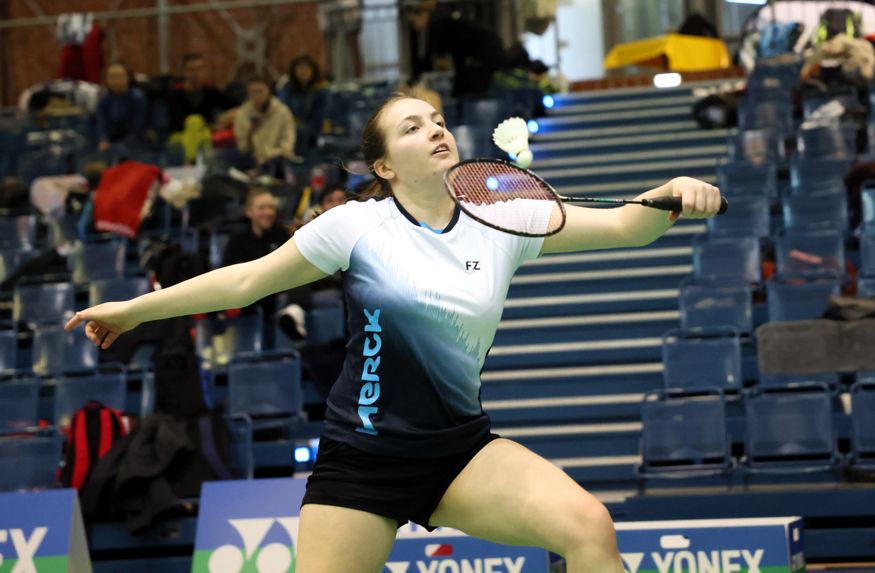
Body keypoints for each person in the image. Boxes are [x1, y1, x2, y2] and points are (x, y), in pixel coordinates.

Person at [65, 94, 722, 573]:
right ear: (383, 165)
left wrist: (667, 193)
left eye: (437, 118)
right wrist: (134, 310)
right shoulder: (355, 226)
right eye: (412, 127)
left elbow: (622, 227)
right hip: (362, 460)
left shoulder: (504, 217)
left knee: (587, 527)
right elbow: (244, 282)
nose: (435, 128)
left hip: (459, 451)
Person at [233, 76, 297, 176]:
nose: (257, 96)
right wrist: (250, 133)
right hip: (251, 159)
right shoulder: (243, 113)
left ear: (268, 91)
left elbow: (287, 146)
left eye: (260, 91)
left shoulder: (282, 112)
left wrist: (267, 155)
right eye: (253, 92)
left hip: (277, 159)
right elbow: (242, 148)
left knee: (275, 164)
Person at [165, 53, 234, 134]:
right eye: (191, 70)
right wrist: (211, 127)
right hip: (181, 136)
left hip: (207, 136)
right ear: (184, 72)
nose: (196, 73)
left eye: (200, 69)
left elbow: (232, 105)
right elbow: (178, 122)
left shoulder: (210, 91)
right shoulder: (176, 93)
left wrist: (228, 117)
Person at [277, 55, 330, 157]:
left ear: (313, 70)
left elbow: (320, 117)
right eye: (300, 68)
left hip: (313, 132)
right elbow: (281, 109)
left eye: (306, 68)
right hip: (289, 129)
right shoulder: (288, 90)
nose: (303, 71)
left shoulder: (322, 91)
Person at [96, 64, 149, 151]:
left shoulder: (137, 98)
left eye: (119, 76)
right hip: (112, 140)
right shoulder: (104, 99)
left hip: (134, 141)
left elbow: (139, 127)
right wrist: (103, 139)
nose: (116, 81)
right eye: (112, 77)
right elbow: (102, 122)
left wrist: (121, 146)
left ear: (128, 78)